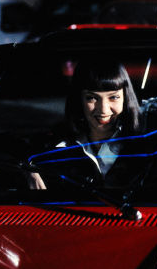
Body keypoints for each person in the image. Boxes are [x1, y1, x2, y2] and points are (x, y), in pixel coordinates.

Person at [27, 59, 147, 189]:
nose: (103, 109)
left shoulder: (146, 143)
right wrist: (29, 171)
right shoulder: (57, 143)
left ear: (125, 98)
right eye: (92, 98)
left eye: (113, 97)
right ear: (79, 99)